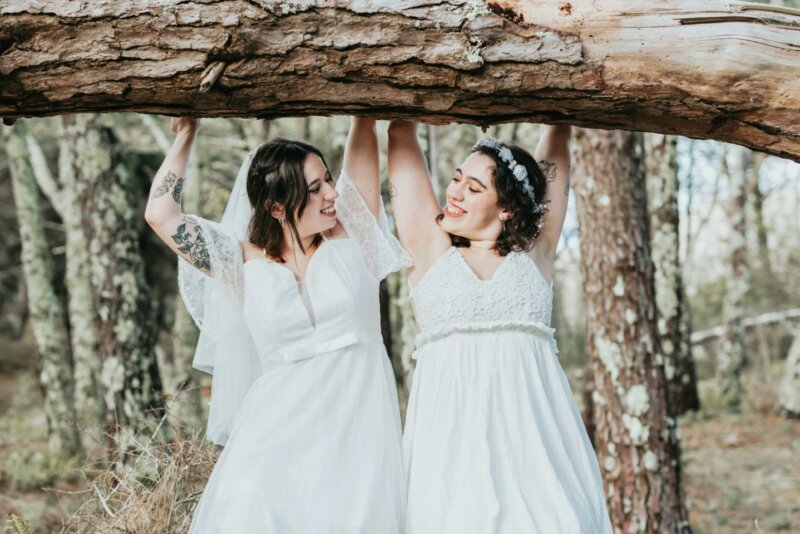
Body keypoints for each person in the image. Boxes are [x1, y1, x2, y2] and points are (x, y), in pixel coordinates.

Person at [144, 116, 409, 533]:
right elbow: (160, 214)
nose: (332, 193)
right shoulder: (239, 261)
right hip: (274, 434)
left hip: (357, 435)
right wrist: (187, 132)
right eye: (315, 188)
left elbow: (363, 122)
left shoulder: (353, 230)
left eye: (328, 179)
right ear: (277, 207)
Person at [387, 121, 613, 533]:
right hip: (451, 455)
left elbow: (557, 135)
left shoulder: (536, 253)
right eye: (457, 179)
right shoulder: (429, 249)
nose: (454, 192)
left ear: (506, 208)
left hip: (536, 451)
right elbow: (401, 134)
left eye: (473, 189)